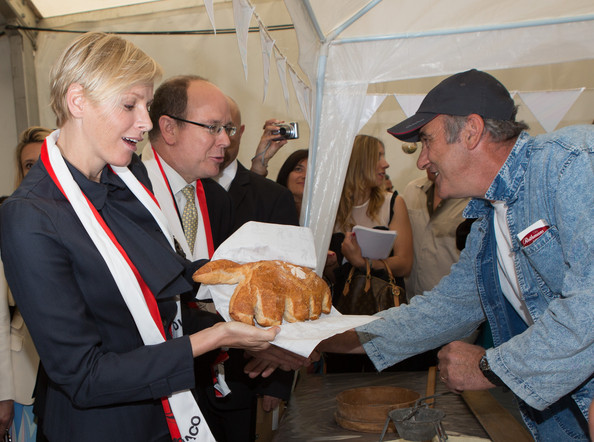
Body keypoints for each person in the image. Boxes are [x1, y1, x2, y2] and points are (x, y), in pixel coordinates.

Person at [0, 32, 278, 442]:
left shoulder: (125, 180)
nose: (146, 122)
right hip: (102, 427)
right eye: (130, 105)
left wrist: (252, 277)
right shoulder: (31, 216)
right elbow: (85, 375)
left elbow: (172, 274)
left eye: (145, 106)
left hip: (165, 413)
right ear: (78, 101)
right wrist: (218, 336)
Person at [294, 69, 591, 441]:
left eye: (426, 141)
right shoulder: (488, 219)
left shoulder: (573, 164)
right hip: (562, 412)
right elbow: (442, 311)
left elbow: (588, 307)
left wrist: (489, 368)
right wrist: (313, 341)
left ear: (470, 130)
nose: (421, 161)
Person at [145, 75, 292, 442]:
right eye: (213, 128)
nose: (226, 141)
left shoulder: (214, 197)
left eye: (227, 128)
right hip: (151, 395)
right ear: (169, 128)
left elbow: (226, 290)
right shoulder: (128, 195)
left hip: (215, 389)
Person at [324, 134, 413, 372]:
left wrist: (363, 263)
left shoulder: (392, 202)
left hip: (384, 316)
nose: (386, 164)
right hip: (340, 319)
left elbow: (405, 264)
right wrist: (331, 266)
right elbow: (330, 278)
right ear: (358, 162)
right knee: (340, 384)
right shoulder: (329, 208)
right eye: (379, 156)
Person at [0, 126, 51, 441]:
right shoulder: (10, 220)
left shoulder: (89, 215)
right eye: (29, 165)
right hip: (24, 374)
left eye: (44, 161)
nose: (36, 171)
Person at [214, 97, 299, 231]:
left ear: (241, 132)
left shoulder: (274, 199)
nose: (222, 139)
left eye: (229, 129)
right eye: (212, 128)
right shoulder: (186, 185)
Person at [401, 169, 470, 301]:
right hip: (411, 301)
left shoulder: (471, 199)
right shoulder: (413, 190)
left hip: (449, 302)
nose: (423, 161)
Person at [276, 148, 308, 215]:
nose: (305, 176)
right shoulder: (269, 209)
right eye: (298, 169)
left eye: (311, 172)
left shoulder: (331, 216)